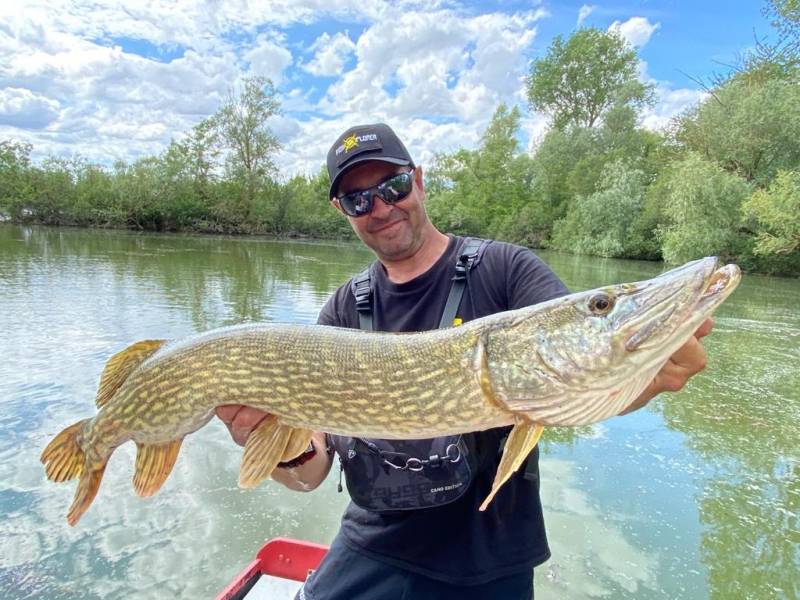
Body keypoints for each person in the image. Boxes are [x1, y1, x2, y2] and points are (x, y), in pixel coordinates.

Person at [216, 123, 713, 599]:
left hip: (488, 560)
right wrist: (278, 446)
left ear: (418, 179)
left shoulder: (506, 270)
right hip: (372, 545)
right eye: (358, 198)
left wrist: (648, 377)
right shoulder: (344, 310)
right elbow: (309, 475)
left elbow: (574, 381)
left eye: (392, 184)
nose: (381, 206)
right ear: (342, 210)